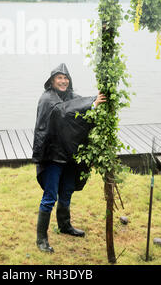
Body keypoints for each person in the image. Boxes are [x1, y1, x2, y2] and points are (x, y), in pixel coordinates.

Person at [32, 63, 106, 253]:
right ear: (52, 81)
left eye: (66, 78)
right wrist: (91, 102)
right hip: (52, 155)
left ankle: (65, 226)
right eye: (59, 78)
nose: (63, 81)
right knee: (50, 196)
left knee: (66, 191)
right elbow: (62, 111)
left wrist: (97, 102)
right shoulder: (47, 99)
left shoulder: (72, 96)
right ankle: (41, 239)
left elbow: (79, 107)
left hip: (69, 154)